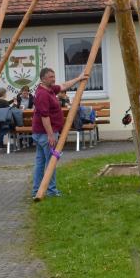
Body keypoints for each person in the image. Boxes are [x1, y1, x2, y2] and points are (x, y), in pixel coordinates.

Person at [31, 67, 87, 198]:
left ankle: (37, 190)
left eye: (54, 76)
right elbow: (45, 117)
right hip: (45, 134)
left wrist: (79, 78)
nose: (54, 79)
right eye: (51, 77)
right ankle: (51, 190)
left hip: (42, 133)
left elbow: (63, 85)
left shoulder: (49, 89)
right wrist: (50, 135)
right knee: (51, 161)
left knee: (40, 162)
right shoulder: (43, 94)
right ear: (43, 79)